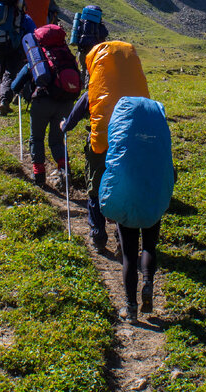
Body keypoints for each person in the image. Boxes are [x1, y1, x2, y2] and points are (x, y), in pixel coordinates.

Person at [60, 40, 147, 251]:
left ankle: (98, 235)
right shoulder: (136, 89)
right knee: (123, 188)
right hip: (130, 146)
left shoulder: (95, 90)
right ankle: (122, 237)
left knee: (96, 189)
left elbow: (72, 119)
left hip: (101, 145)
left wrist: (65, 125)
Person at [9, 23, 82, 190]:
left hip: (42, 103)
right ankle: (65, 169)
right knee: (56, 141)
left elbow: (15, 86)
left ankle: (39, 174)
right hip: (66, 103)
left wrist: (17, 90)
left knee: (37, 138)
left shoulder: (38, 57)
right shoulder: (67, 56)